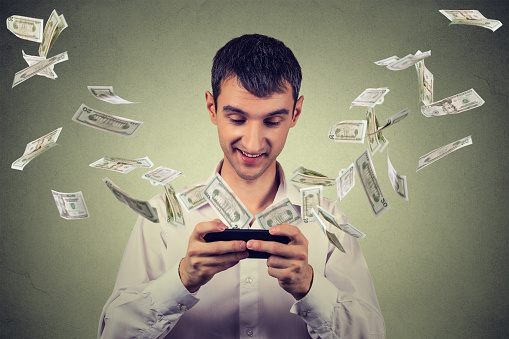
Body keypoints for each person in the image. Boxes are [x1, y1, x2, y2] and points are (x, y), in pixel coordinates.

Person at [98, 34, 385, 339]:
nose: (252, 143)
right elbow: (113, 335)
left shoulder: (329, 220)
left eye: (272, 121)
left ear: (295, 114)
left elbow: (371, 335)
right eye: (236, 118)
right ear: (212, 108)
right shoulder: (160, 217)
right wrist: (182, 279)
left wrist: (310, 286)